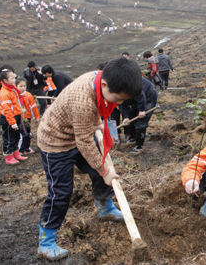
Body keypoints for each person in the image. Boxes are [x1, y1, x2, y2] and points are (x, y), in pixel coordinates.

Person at [36, 58, 142, 261]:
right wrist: (105, 171)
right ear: (105, 85)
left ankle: (105, 208)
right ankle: (46, 240)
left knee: (96, 170)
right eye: (117, 99)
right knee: (61, 191)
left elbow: (94, 114)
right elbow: (85, 142)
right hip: (56, 143)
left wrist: (98, 127)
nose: (118, 104)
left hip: (77, 133)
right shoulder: (83, 99)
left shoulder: (99, 80)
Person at [120, 77, 158, 154]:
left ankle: (139, 146)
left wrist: (141, 110)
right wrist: (126, 117)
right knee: (132, 116)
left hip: (148, 95)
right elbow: (123, 105)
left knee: (141, 121)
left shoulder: (127, 84)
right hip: (135, 97)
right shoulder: (115, 90)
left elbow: (141, 95)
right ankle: (133, 138)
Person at [0, 69, 28, 165]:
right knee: (8, 138)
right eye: (12, 78)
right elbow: (7, 110)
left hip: (16, 116)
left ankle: (16, 153)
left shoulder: (12, 88)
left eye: (14, 77)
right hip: (8, 118)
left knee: (16, 136)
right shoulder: (4, 93)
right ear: (5, 80)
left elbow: (17, 99)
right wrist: (12, 122)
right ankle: (8, 156)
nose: (14, 79)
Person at [16, 77, 40, 155]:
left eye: (24, 86)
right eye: (20, 86)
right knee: (21, 134)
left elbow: (33, 107)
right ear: (16, 86)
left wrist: (36, 117)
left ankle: (27, 148)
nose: (23, 88)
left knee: (28, 133)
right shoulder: (14, 96)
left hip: (27, 117)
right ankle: (20, 149)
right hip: (19, 118)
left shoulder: (28, 95)